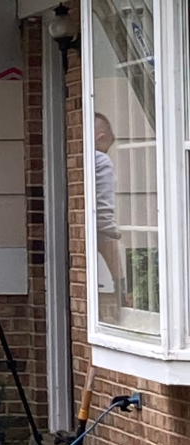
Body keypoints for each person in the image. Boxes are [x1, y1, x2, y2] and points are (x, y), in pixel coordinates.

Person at [94, 112, 128, 309]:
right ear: (101, 137)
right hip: (100, 238)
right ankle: (121, 297)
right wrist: (120, 282)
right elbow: (104, 213)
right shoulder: (101, 160)